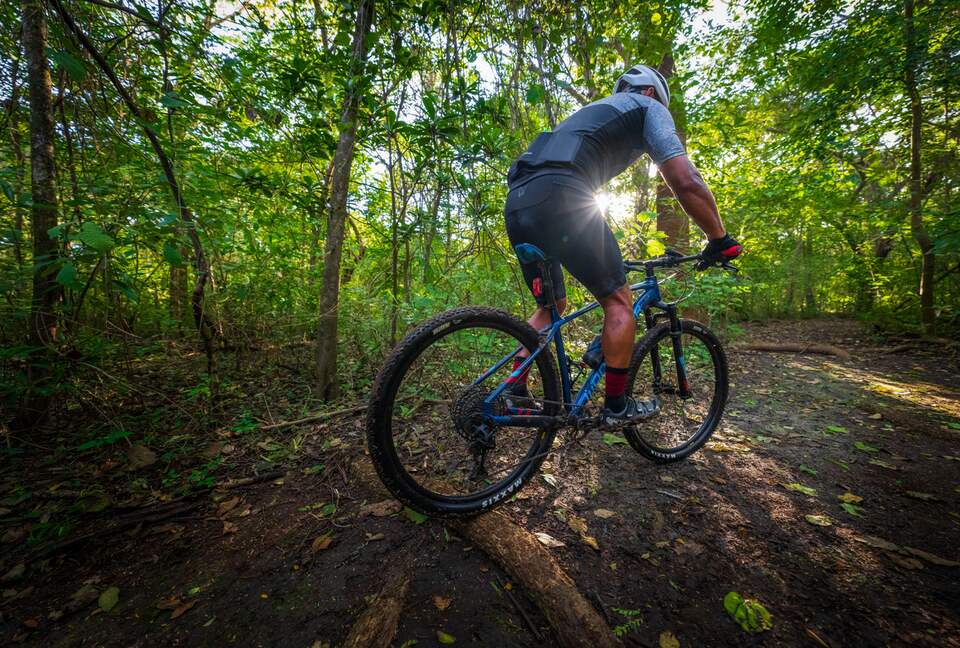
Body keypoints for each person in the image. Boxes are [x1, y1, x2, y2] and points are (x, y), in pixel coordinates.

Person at [503, 64, 743, 425]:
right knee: (618, 301)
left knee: (551, 305)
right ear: (650, 92)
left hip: (519, 201)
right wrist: (719, 238)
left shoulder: (594, 113)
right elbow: (685, 180)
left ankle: (512, 391)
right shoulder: (648, 107)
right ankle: (616, 406)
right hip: (561, 195)